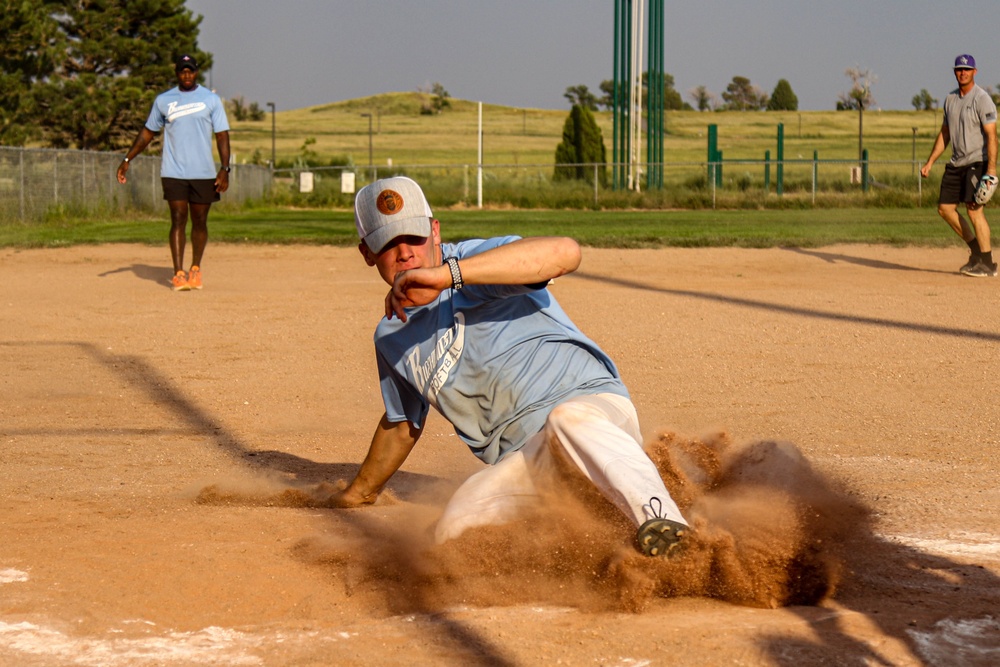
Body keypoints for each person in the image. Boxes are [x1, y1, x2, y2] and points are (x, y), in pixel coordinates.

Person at [328, 176, 690, 558]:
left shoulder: (478, 266)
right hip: (528, 461)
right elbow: (402, 425)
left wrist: (448, 276)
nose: (404, 253)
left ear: (435, 231)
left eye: (413, 237)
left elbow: (564, 253)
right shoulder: (392, 337)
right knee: (454, 530)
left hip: (593, 415)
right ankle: (597, 558)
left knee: (567, 420)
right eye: (388, 244)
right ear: (367, 252)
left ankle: (670, 529)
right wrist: (356, 494)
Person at [117, 54, 231, 291]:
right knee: (178, 218)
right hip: (174, 171)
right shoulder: (164, 100)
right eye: (182, 71)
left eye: (190, 71)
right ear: (177, 73)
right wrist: (128, 158)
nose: (186, 75)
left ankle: (195, 269)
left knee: (199, 221)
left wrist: (225, 168)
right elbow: (148, 132)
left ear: (196, 72)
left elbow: (222, 135)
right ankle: (178, 273)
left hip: (203, 173)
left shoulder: (211, 100)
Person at [920, 53, 999, 277]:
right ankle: (976, 252)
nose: (962, 72)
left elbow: (992, 136)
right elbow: (945, 134)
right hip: (956, 163)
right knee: (944, 209)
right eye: (958, 69)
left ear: (975, 72)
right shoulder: (950, 100)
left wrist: (991, 170)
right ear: (955, 72)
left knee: (974, 210)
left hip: (977, 161)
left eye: (966, 69)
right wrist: (930, 162)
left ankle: (988, 263)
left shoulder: (982, 99)